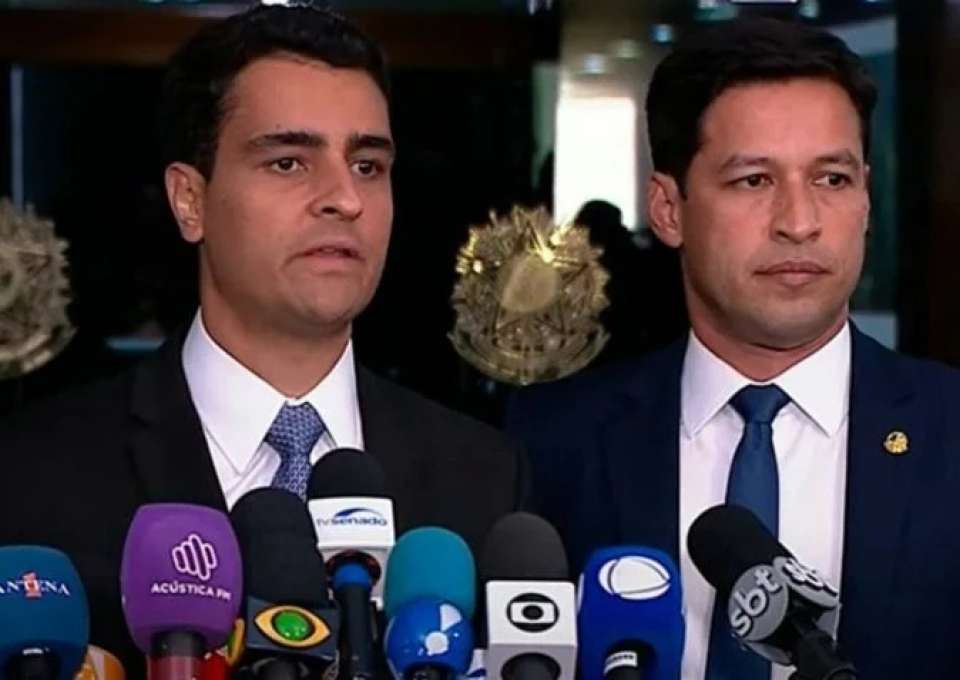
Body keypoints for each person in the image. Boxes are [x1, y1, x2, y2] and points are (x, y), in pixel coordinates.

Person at [0, 5, 525, 672]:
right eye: (288, 162)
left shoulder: (486, 479)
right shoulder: (31, 475)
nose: (345, 199)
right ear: (190, 200)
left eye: (367, 165)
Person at [507, 16, 960, 680]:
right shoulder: (550, 445)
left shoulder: (950, 430)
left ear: (866, 196)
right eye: (754, 180)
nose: (799, 222)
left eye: (832, 179)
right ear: (669, 208)